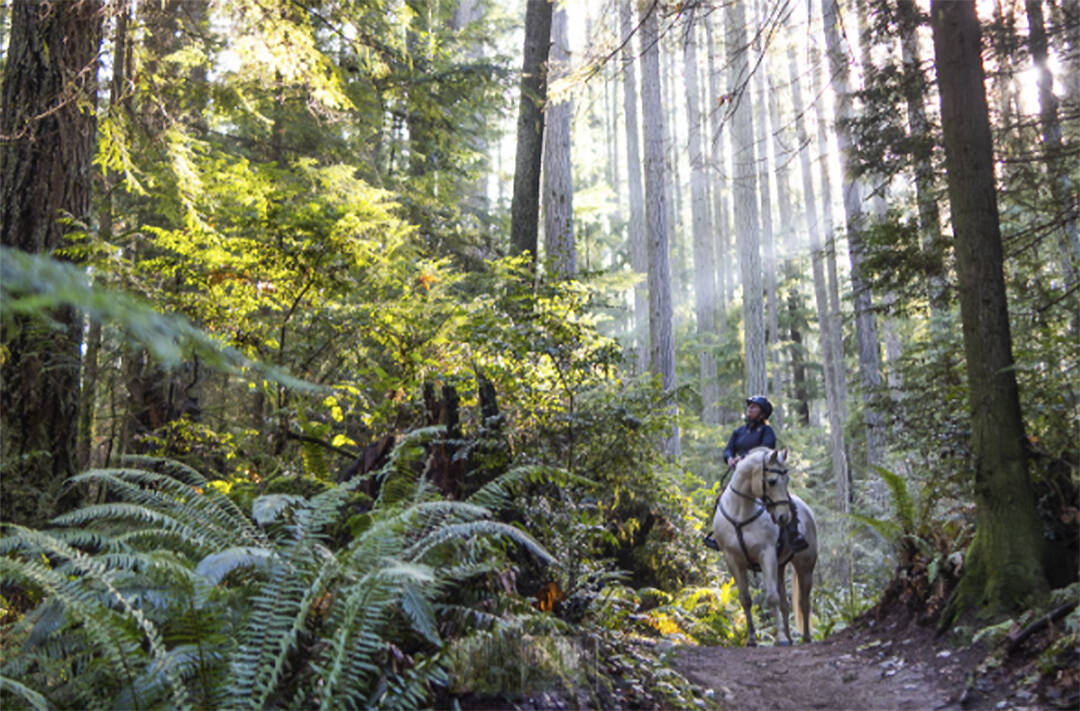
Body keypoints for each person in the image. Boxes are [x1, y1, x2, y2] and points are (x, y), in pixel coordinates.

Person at [704, 396, 808, 553]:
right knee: (721, 498)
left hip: (762, 474)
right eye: (750, 406)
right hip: (741, 476)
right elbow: (728, 449)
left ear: (762, 413)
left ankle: (794, 532)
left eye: (754, 407)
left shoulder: (767, 431)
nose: (750, 409)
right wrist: (730, 458)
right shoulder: (739, 431)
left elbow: (766, 448)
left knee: (783, 497)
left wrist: (743, 457)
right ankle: (717, 535)